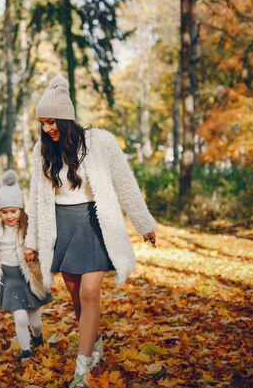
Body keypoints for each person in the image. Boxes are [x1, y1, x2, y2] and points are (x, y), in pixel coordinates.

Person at [24, 75, 157, 387]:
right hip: (61, 227)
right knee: (75, 294)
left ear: (66, 117)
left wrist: (144, 223)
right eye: (42, 123)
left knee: (89, 291)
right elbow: (36, 197)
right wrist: (31, 241)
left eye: (51, 121)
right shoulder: (41, 151)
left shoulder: (101, 143)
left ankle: (82, 371)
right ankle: (94, 343)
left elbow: (125, 183)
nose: (47, 129)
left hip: (94, 224)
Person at [0, 170, 54, 362]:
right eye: (4, 212)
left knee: (35, 322)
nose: (9, 216)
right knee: (20, 318)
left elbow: (43, 250)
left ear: (21, 209)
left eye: (13, 211)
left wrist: (35, 256)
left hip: (28, 279)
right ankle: (26, 352)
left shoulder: (29, 231)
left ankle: (37, 336)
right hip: (10, 280)